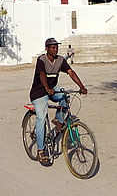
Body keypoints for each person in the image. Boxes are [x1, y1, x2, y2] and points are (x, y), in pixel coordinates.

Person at [29, 37, 87, 165]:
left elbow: (71, 72)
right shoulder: (41, 60)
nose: (55, 49)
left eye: (57, 47)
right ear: (47, 48)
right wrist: (46, 88)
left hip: (52, 90)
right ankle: (41, 150)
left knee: (64, 95)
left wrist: (81, 87)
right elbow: (42, 75)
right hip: (39, 92)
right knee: (41, 119)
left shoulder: (60, 60)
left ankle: (58, 119)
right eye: (53, 47)